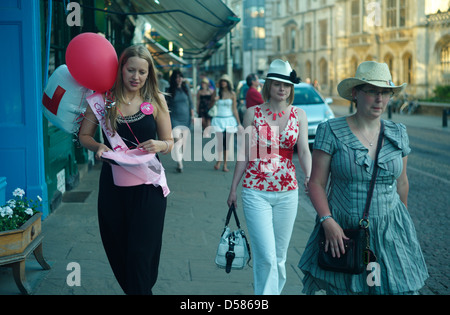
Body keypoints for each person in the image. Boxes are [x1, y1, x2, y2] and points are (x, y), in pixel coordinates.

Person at [298, 61, 429, 295]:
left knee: (392, 288)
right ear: (355, 93)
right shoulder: (331, 130)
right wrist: (327, 221)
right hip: (343, 232)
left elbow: (402, 183)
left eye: (385, 92)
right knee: (348, 289)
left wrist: (403, 224)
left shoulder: (398, 133)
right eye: (372, 91)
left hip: (390, 229)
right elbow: (316, 183)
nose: (380, 98)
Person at [78, 44, 173, 295]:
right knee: (119, 250)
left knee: (141, 255)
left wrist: (160, 144)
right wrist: (97, 146)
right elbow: (84, 136)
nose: (136, 77)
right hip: (113, 187)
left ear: (149, 73)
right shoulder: (104, 100)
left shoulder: (156, 100)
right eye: (131, 70)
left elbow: (170, 142)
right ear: (121, 68)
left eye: (142, 72)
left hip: (148, 188)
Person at [227, 59, 311, 295]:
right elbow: (244, 153)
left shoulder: (299, 115)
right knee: (266, 256)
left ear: (291, 88)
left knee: (280, 257)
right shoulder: (252, 114)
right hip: (255, 191)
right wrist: (233, 189)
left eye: (286, 85)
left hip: (287, 192)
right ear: (269, 87)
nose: (282, 89)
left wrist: (310, 177)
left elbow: (304, 150)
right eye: (277, 84)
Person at [210, 74, 241, 172]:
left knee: (227, 143)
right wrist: (214, 100)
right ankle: (219, 161)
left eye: (225, 81)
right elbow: (210, 106)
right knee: (220, 142)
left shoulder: (232, 94)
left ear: (228, 83)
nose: (223, 83)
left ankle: (225, 164)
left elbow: (235, 109)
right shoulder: (216, 92)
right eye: (222, 81)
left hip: (229, 119)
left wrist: (239, 123)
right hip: (218, 119)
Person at [166, 69, 194, 173]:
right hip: (174, 118)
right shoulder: (169, 90)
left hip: (186, 118)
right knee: (178, 141)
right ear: (174, 79)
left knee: (184, 144)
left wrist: (193, 116)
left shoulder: (186, 88)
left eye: (180, 77)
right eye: (177, 77)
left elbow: (191, 103)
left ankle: (179, 158)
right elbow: (166, 106)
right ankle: (179, 164)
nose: (179, 79)